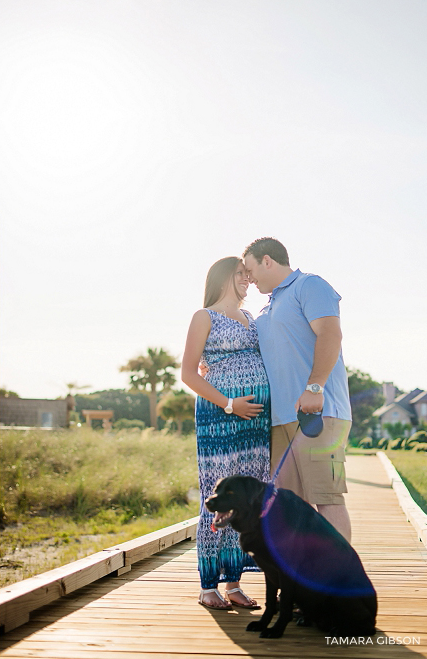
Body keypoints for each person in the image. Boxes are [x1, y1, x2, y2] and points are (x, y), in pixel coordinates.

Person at [242, 237, 352, 542]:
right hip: (280, 421)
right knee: (290, 506)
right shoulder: (267, 309)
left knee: (326, 497)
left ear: (267, 260)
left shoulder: (309, 285)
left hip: (317, 413)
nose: (249, 279)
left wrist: (314, 387)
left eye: (251, 270)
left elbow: (330, 333)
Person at [182, 256, 271, 610]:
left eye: (249, 275)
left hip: (255, 424)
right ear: (222, 278)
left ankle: (234, 583)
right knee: (217, 495)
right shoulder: (204, 316)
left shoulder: (252, 318)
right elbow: (189, 374)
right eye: (241, 274)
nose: (248, 279)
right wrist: (230, 403)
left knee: (248, 501)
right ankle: (208, 586)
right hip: (221, 416)